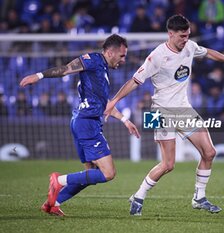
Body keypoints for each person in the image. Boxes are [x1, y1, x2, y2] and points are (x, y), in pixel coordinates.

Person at [104, 15, 224, 216]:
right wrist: (113, 101)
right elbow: (134, 81)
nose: (185, 40)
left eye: (188, 35)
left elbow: (208, 53)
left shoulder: (189, 46)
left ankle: (199, 198)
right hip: (160, 112)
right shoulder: (156, 56)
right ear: (170, 34)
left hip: (183, 109)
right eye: (181, 36)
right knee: (168, 164)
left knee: (209, 152)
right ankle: (138, 196)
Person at [19, 34, 140, 216]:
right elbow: (67, 69)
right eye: (122, 55)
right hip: (87, 124)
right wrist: (39, 75)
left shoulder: (102, 72)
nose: (124, 60)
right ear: (109, 52)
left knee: (90, 174)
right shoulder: (92, 60)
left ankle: (53, 203)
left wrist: (124, 120)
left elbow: (103, 103)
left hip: (82, 121)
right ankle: (58, 181)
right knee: (108, 173)